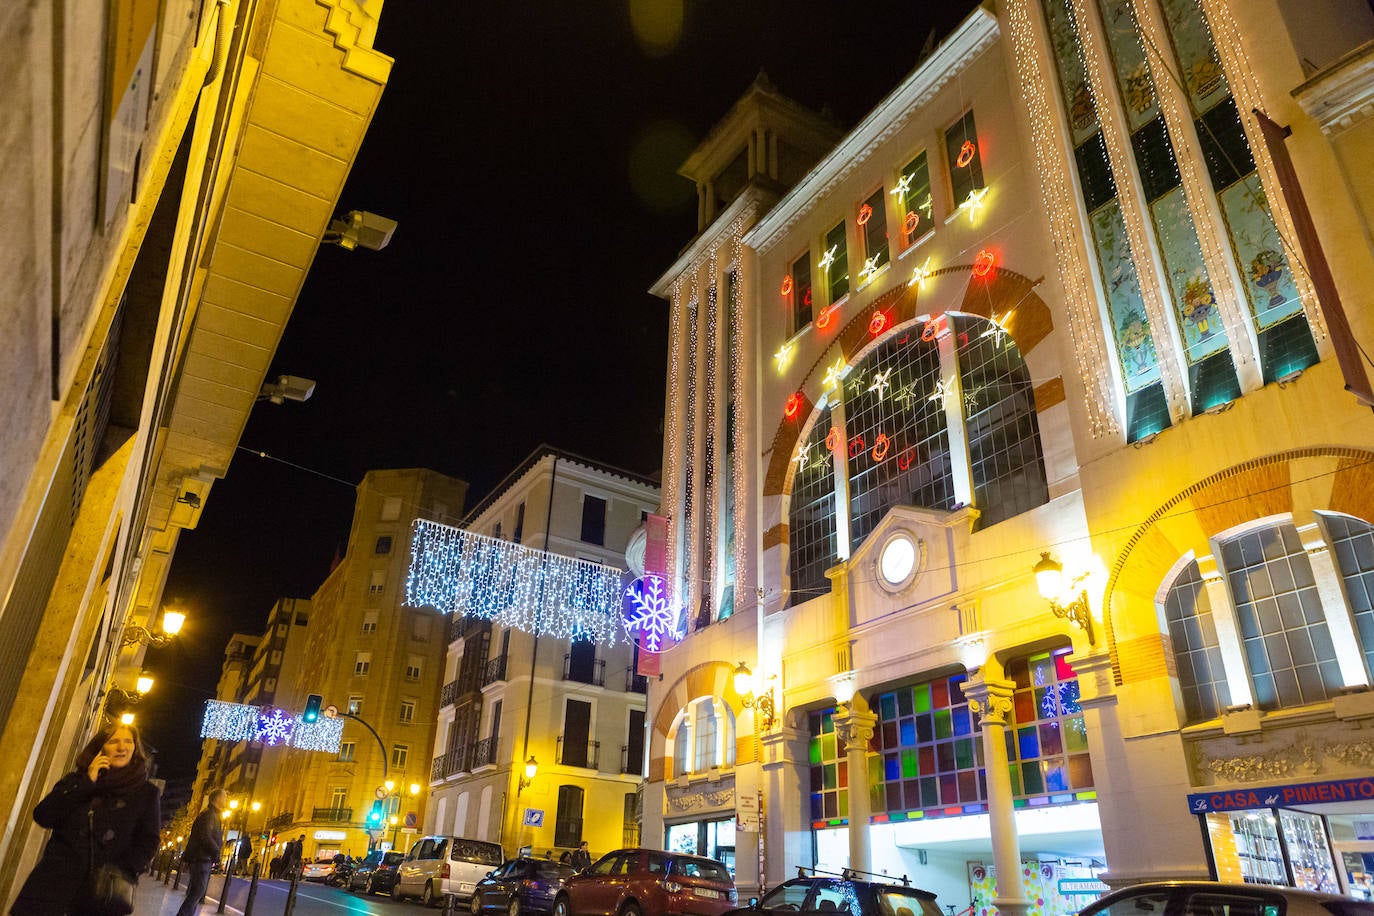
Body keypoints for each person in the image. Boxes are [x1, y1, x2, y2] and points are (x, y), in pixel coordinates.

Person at [11, 722, 161, 915]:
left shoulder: (146, 793)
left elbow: (149, 842)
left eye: (128, 742)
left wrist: (121, 871)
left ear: (135, 748)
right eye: (114, 741)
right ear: (100, 748)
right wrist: (87, 783)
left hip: (102, 893)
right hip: (52, 886)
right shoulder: (76, 780)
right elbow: (43, 816)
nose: (122, 747)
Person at [176, 787, 226, 916]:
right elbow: (205, 836)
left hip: (202, 858)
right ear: (217, 799)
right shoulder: (210, 815)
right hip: (202, 858)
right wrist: (216, 852)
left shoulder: (210, 814)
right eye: (224, 797)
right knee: (197, 891)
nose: (226, 800)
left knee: (196, 892)